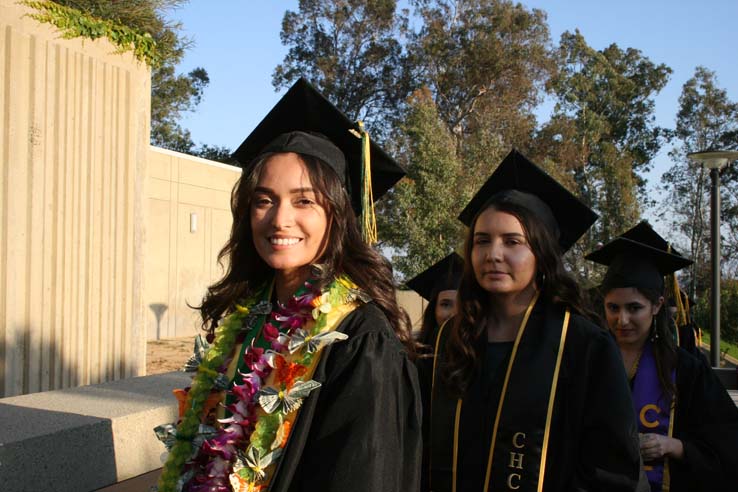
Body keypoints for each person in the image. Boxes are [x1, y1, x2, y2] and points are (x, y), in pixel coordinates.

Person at [156, 78, 422, 492]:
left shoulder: (361, 338)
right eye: (264, 200)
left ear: (337, 215)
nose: (279, 219)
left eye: (304, 201)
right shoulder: (247, 320)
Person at [424, 149, 646, 491]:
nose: (493, 254)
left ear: (542, 255)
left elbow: (610, 470)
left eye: (513, 242)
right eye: (482, 241)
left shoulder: (583, 345)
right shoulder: (450, 340)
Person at [587, 234, 738, 491]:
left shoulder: (687, 369)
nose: (622, 320)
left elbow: (727, 443)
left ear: (656, 306)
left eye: (634, 308)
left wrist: (676, 446)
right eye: (613, 308)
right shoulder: (587, 360)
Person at [406, 253, 464, 348]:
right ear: (433, 309)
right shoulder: (413, 353)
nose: (454, 314)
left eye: (462, 305)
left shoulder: (485, 353)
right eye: (445, 305)